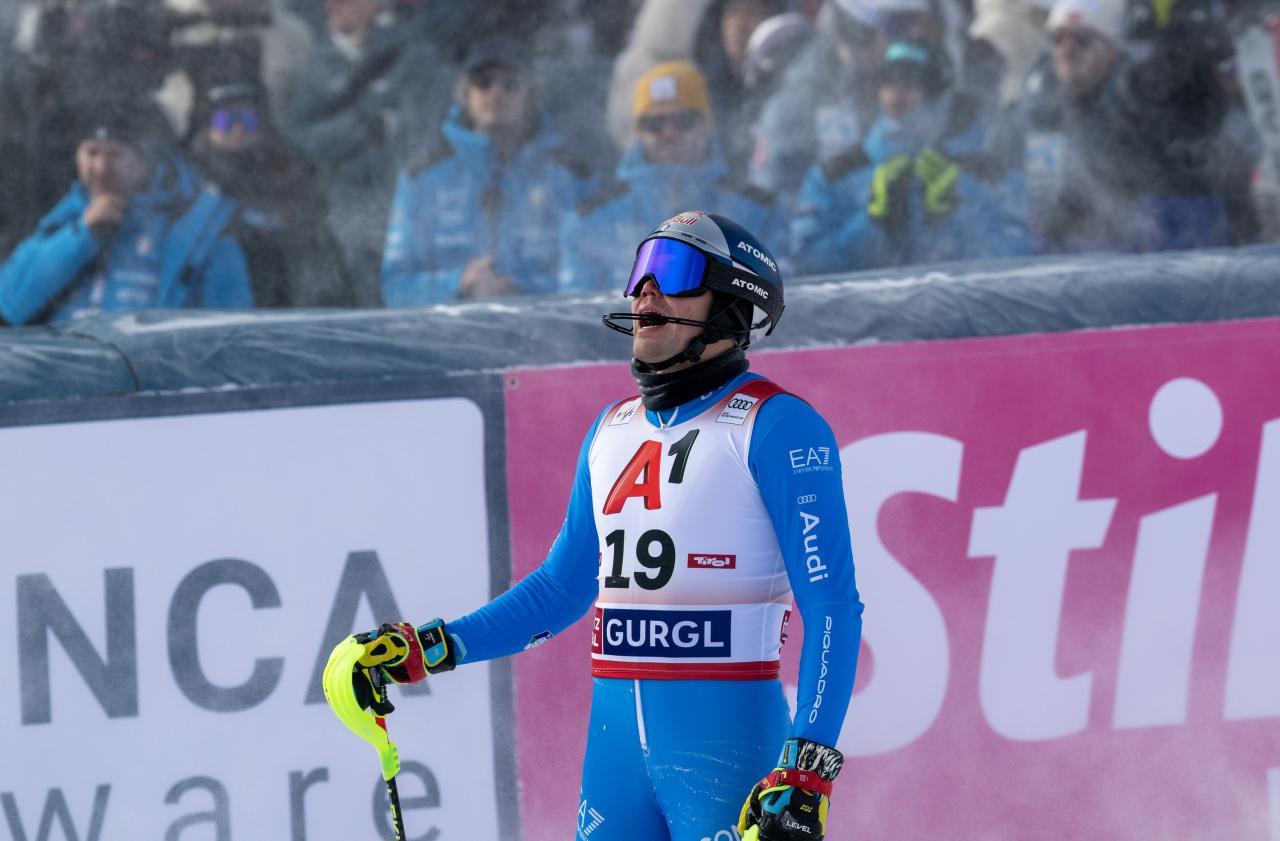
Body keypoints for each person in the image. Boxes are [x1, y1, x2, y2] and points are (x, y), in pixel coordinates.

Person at [338, 210, 862, 841]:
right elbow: (560, 589)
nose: (646, 290)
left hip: (730, 753)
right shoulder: (611, 429)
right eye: (641, 270)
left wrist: (808, 768)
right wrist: (429, 647)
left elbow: (832, 607)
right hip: (616, 764)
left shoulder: (778, 425)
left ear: (731, 305)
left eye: (674, 270)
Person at [989, 0, 1259, 253]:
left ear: (1111, 51)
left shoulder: (1146, 100)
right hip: (1084, 258)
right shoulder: (1040, 110)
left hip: (1163, 252)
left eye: (1083, 40)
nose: (1067, 50)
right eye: (1058, 39)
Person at [380, 37, 594, 305]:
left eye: (510, 84)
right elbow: (395, 287)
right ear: (465, 94)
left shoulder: (571, 177)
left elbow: (596, 281)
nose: (496, 93)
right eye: (483, 81)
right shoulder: (422, 178)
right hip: (448, 329)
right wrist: (459, 283)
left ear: (530, 95)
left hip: (546, 328)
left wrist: (520, 288)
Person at [0, 99, 253, 325]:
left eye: (115, 155)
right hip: (65, 360)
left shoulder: (199, 226)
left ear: (146, 161)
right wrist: (82, 237)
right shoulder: (66, 215)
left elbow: (230, 331)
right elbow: (9, 303)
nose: (101, 167)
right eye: (92, 152)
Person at [790, 39, 1031, 272]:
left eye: (913, 83)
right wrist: (871, 222)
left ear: (941, 97)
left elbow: (1019, 258)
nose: (897, 93)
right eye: (888, 80)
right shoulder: (835, 174)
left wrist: (951, 220)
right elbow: (806, 264)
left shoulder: (988, 174)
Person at [560, 61, 780, 294]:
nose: (669, 132)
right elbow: (580, 309)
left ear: (706, 124)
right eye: (655, 124)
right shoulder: (591, 220)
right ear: (639, 132)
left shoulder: (758, 212)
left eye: (683, 121)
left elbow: (775, 299)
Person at [284, 0, 450, 301]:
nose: (333, 5)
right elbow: (298, 136)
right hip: (338, 206)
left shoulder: (412, 55)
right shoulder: (320, 62)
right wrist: (356, 128)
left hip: (403, 202)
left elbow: (422, 133)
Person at [188, 80, 356, 308]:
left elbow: (312, 221)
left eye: (247, 121)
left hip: (285, 296)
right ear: (208, 127)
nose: (238, 130)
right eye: (227, 121)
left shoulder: (289, 168)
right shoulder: (191, 176)